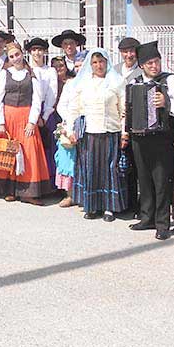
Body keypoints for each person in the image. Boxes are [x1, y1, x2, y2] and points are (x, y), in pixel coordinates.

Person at [0, 42, 51, 204]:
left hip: (25, 117)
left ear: (22, 54)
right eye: (11, 56)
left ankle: (28, 192)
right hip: (8, 117)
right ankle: (9, 190)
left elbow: (37, 100)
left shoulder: (31, 74)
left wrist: (32, 122)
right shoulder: (5, 73)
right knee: (7, 153)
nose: (15, 58)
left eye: (17, 55)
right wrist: (1, 122)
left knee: (28, 153)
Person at [127, 41, 174, 239]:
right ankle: (147, 217)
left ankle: (162, 223)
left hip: (162, 136)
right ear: (142, 65)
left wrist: (166, 102)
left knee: (161, 180)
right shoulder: (134, 82)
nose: (154, 66)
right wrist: (126, 130)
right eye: (150, 63)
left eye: (157, 62)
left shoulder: (170, 80)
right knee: (143, 179)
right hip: (139, 137)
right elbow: (129, 108)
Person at [65, 48, 127, 222]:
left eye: (101, 62)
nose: (98, 65)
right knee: (91, 169)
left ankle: (109, 207)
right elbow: (74, 108)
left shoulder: (117, 82)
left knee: (109, 170)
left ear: (107, 62)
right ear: (89, 65)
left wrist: (124, 133)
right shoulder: (83, 83)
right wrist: (71, 130)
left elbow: (124, 111)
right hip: (88, 134)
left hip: (110, 132)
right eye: (94, 62)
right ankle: (92, 206)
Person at [114, 36, 143, 215]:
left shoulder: (141, 71)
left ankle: (136, 203)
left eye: (131, 51)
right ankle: (121, 201)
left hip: (136, 123)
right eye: (125, 51)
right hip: (116, 122)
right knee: (119, 165)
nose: (129, 55)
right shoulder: (115, 70)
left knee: (135, 166)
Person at [26, 38, 59, 183]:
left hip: (46, 112)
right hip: (28, 111)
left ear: (44, 51)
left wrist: (44, 116)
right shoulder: (26, 70)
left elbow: (52, 94)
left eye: (39, 49)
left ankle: (49, 181)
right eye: (34, 50)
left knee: (47, 147)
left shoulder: (50, 71)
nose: (37, 53)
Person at [51, 54, 79, 207]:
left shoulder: (94, 82)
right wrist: (70, 123)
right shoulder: (71, 84)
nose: (80, 69)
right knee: (68, 160)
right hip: (71, 124)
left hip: (91, 125)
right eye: (78, 66)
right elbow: (62, 106)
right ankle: (70, 194)